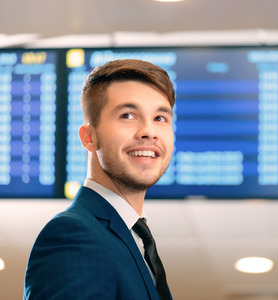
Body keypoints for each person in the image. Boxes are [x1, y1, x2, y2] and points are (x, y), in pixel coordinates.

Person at [24, 59, 175, 300]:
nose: (149, 131)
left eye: (160, 118)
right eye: (128, 115)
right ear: (89, 137)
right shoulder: (74, 236)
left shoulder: (134, 240)